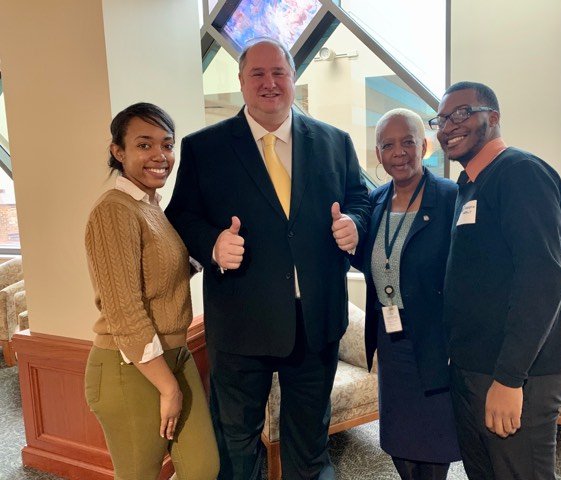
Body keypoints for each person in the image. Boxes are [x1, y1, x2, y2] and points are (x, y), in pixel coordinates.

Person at [165, 38, 370, 480]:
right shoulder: (205, 148)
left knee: (310, 441)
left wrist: (354, 221)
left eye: (279, 72)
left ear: (293, 78)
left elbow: (361, 198)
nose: (269, 82)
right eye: (257, 73)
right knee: (237, 443)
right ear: (240, 81)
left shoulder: (335, 142)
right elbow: (180, 215)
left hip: (315, 322)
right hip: (241, 325)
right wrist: (213, 244)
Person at [431, 81, 561, 479]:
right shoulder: (470, 185)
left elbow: (541, 280)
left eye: (461, 113)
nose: (448, 126)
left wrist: (509, 379)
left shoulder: (520, 172)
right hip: (473, 367)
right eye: (442, 119)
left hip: (516, 374)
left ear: (492, 117)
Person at [84, 102, 219, 480]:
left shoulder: (151, 206)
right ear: (118, 152)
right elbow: (125, 311)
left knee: (203, 468)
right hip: (130, 367)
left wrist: (214, 252)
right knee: (139, 475)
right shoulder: (115, 211)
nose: (160, 155)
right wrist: (168, 388)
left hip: (174, 354)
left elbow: (162, 276)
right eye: (144, 145)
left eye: (167, 144)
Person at [351, 108, 460, 480]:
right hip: (391, 340)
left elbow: (479, 251)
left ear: (424, 146)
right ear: (378, 154)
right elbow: (358, 250)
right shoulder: (375, 201)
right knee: (398, 437)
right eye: (388, 145)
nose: (399, 152)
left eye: (408, 142)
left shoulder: (449, 197)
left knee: (432, 443)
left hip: (433, 340)